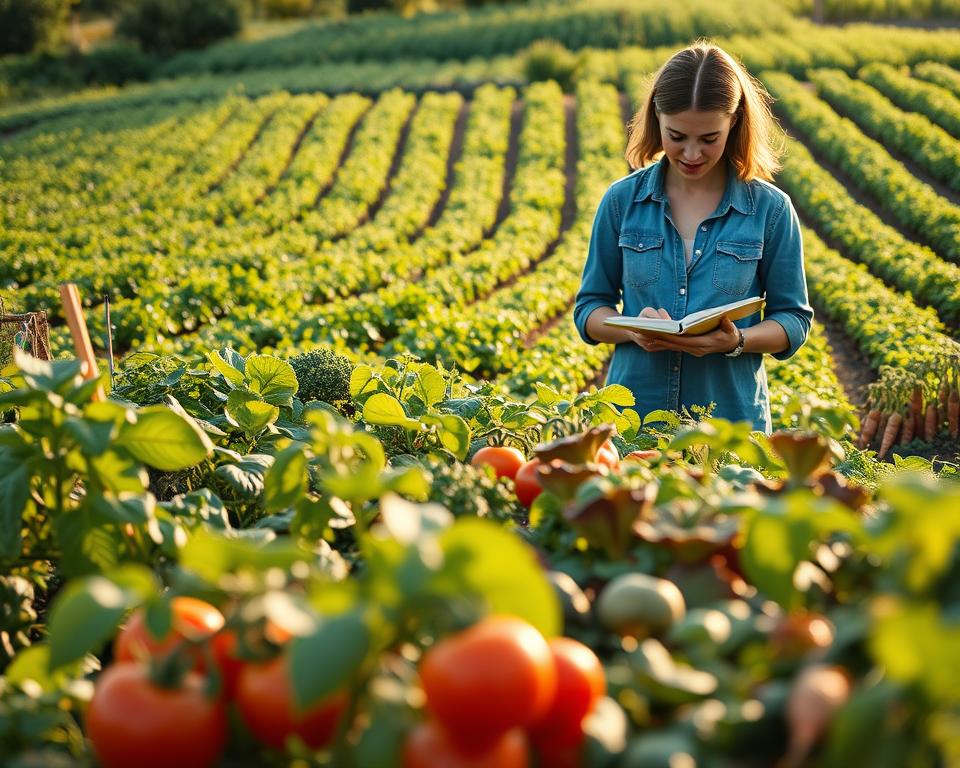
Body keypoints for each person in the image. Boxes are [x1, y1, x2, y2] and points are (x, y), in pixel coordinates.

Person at [573, 41, 813, 433]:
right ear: (657, 116)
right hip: (635, 424)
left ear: (734, 122)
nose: (691, 153)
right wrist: (632, 327)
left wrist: (735, 342)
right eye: (677, 135)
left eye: (708, 139)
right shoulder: (622, 201)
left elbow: (793, 320)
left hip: (730, 428)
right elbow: (590, 308)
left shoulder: (770, 210)